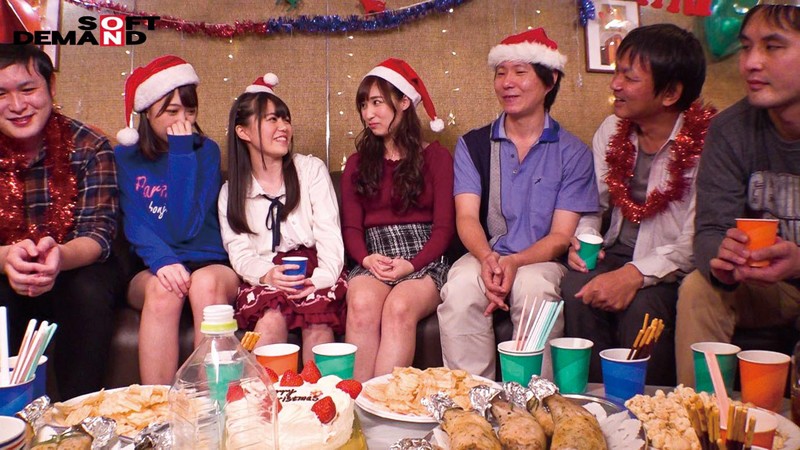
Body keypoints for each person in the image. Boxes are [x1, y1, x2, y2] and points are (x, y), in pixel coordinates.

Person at [437, 29, 599, 380]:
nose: (507, 82)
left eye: (520, 72)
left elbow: (561, 235)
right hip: (485, 252)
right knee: (461, 289)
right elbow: (466, 216)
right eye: (501, 73)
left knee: (534, 288)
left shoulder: (573, 152)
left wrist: (515, 262)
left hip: (542, 259)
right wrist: (487, 258)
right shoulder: (473, 145)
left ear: (549, 80)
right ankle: (469, 397)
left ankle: (532, 397)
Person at [561, 24, 713, 387]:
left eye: (629, 78)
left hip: (671, 266)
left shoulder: (707, 146)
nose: (615, 85)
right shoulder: (611, 129)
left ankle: (644, 406)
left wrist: (634, 275)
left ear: (671, 92)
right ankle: (590, 402)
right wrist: (584, 241)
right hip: (614, 250)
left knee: (643, 308)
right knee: (576, 289)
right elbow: (593, 205)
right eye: (617, 73)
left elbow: (695, 241)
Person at [676, 3, 800, 386]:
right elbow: (710, 230)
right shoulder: (731, 129)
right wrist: (723, 257)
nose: (750, 63)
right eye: (746, 47)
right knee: (699, 288)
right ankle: (696, 414)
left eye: (772, 47)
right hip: (767, 288)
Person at [0, 44, 122, 399]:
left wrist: (58, 257)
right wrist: (7, 258)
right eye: (1, 94)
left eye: (28, 89)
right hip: (6, 266)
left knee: (87, 289)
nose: (17, 105)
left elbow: (98, 235)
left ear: (51, 87)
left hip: (75, 264)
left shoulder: (89, 146)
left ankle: (77, 413)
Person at [114, 55, 240, 385]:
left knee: (205, 284)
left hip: (208, 261)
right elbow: (135, 222)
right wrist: (163, 261)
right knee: (163, 289)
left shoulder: (205, 151)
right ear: (147, 112)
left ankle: (208, 402)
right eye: (171, 112)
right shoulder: (126, 156)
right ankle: (158, 404)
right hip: (153, 265)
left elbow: (186, 225)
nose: (183, 120)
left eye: (190, 111)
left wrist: (182, 152)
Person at [219, 73, 347, 363]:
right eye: (272, 120)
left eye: (286, 119)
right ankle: (260, 391)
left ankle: (323, 391)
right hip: (266, 272)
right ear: (243, 132)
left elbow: (329, 235)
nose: (284, 127)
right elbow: (240, 254)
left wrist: (321, 279)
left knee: (317, 318)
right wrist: (267, 275)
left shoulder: (310, 170)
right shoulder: (231, 192)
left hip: (315, 267)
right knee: (270, 321)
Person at [342, 58, 455, 381]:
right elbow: (351, 226)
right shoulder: (357, 163)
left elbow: (444, 228)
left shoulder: (436, 157)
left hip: (424, 259)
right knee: (361, 303)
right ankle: (356, 402)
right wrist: (366, 258)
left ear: (404, 102)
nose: (368, 114)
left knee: (399, 306)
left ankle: (381, 404)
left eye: (377, 102)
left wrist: (412, 264)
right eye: (364, 104)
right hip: (374, 257)